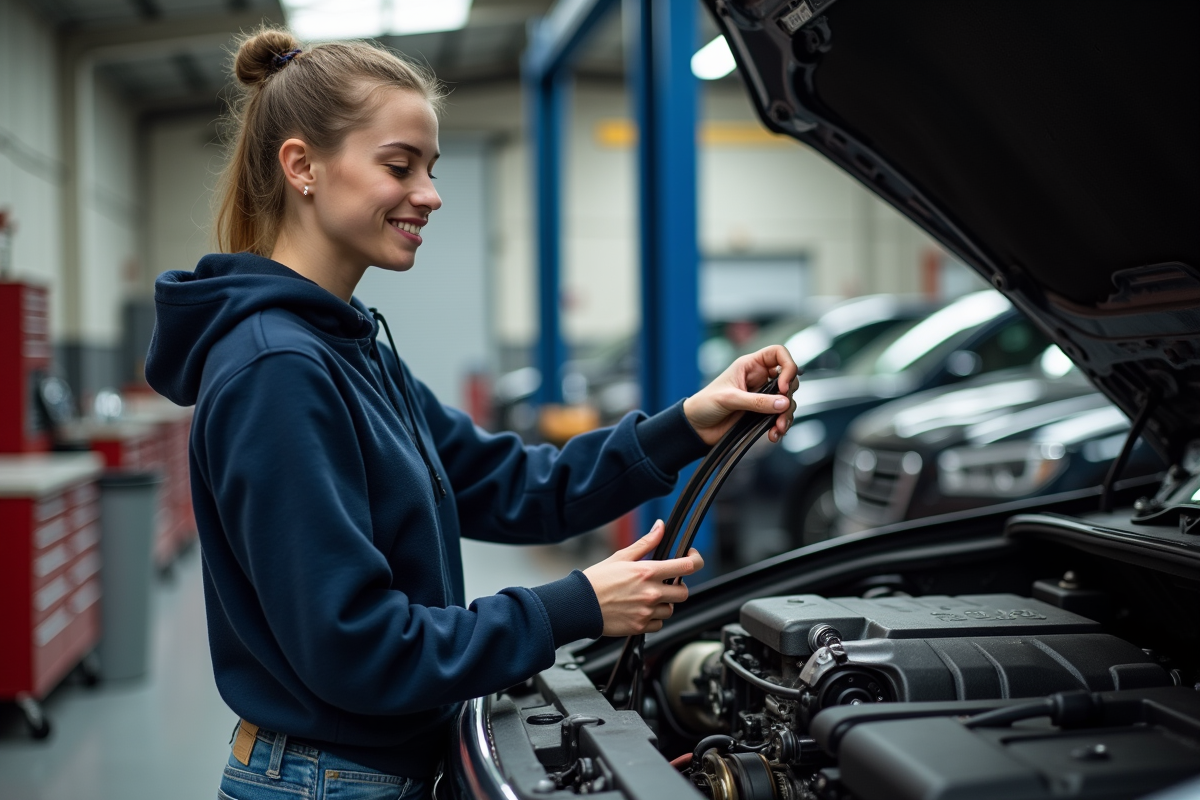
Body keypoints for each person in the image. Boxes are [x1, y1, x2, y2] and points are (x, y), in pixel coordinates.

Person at [145, 28, 798, 800]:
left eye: (431, 167)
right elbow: (356, 646)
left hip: (375, 769)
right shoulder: (277, 370)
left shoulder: (349, 347)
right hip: (329, 781)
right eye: (400, 165)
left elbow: (518, 486)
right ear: (302, 167)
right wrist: (574, 605)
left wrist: (692, 419)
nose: (430, 193)